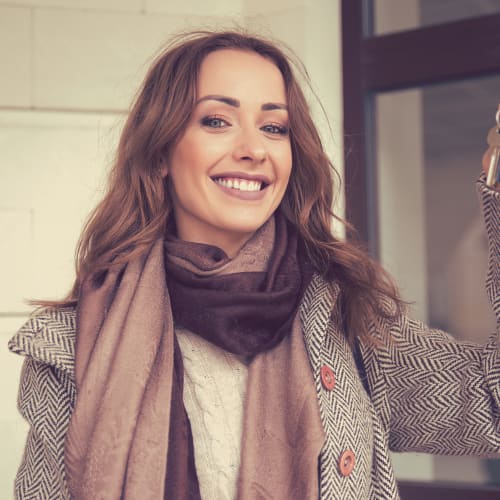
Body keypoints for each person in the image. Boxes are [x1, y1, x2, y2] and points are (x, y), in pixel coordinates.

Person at [8, 30, 500, 500]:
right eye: (217, 121)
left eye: (273, 127)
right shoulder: (74, 345)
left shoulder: (345, 320)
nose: (252, 149)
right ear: (160, 152)